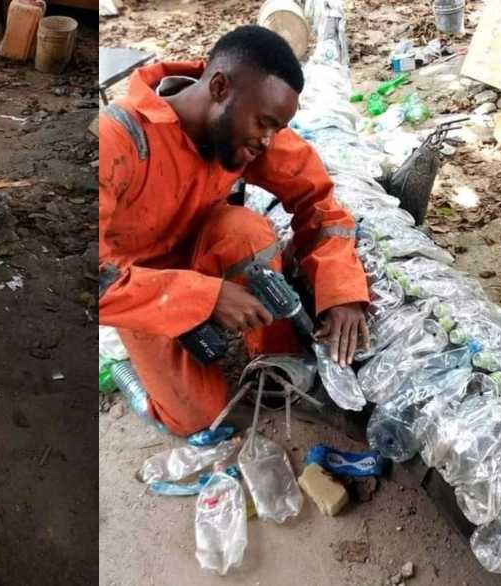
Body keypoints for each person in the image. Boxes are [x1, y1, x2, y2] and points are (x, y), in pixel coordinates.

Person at [97, 25, 371, 437]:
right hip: (139, 290)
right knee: (196, 418)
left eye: (277, 128)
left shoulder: (245, 125)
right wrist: (204, 298)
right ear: (220, 87)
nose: (269, 141)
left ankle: (277, 363)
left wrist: (343, 291)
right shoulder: (117, 140)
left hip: (206, 254)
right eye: (265, 124)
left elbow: (319, 202)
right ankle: (128, 371)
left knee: (246, 232)